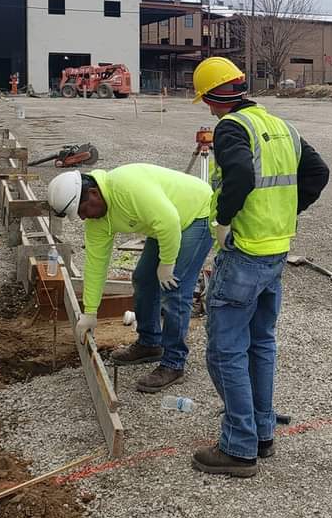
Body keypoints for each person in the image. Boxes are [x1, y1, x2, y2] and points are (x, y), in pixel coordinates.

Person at [190, 57, 329, 477]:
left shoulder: (231, 127)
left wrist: (223, 221)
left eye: (206, 102)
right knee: (261, 343)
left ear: (214, 97)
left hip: (245, 251)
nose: (208, 110)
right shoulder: (282, 126)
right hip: (275, 250)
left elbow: (239, 176)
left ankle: (239, 446)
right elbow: (318, 172)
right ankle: (262, 433)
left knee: (225, 351)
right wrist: (289, 212)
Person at [46, 164, 213, 393]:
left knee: (175, 289)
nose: (84, 218)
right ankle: (150, 342)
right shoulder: (97, 220)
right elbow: (96, 265)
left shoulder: (126, 188)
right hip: (164, 224)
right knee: (144, 279)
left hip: (196, 213)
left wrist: (166, 264)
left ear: (93, 193)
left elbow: (169, 222)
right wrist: (91, 311)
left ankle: (174, 363)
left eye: (84, 210)